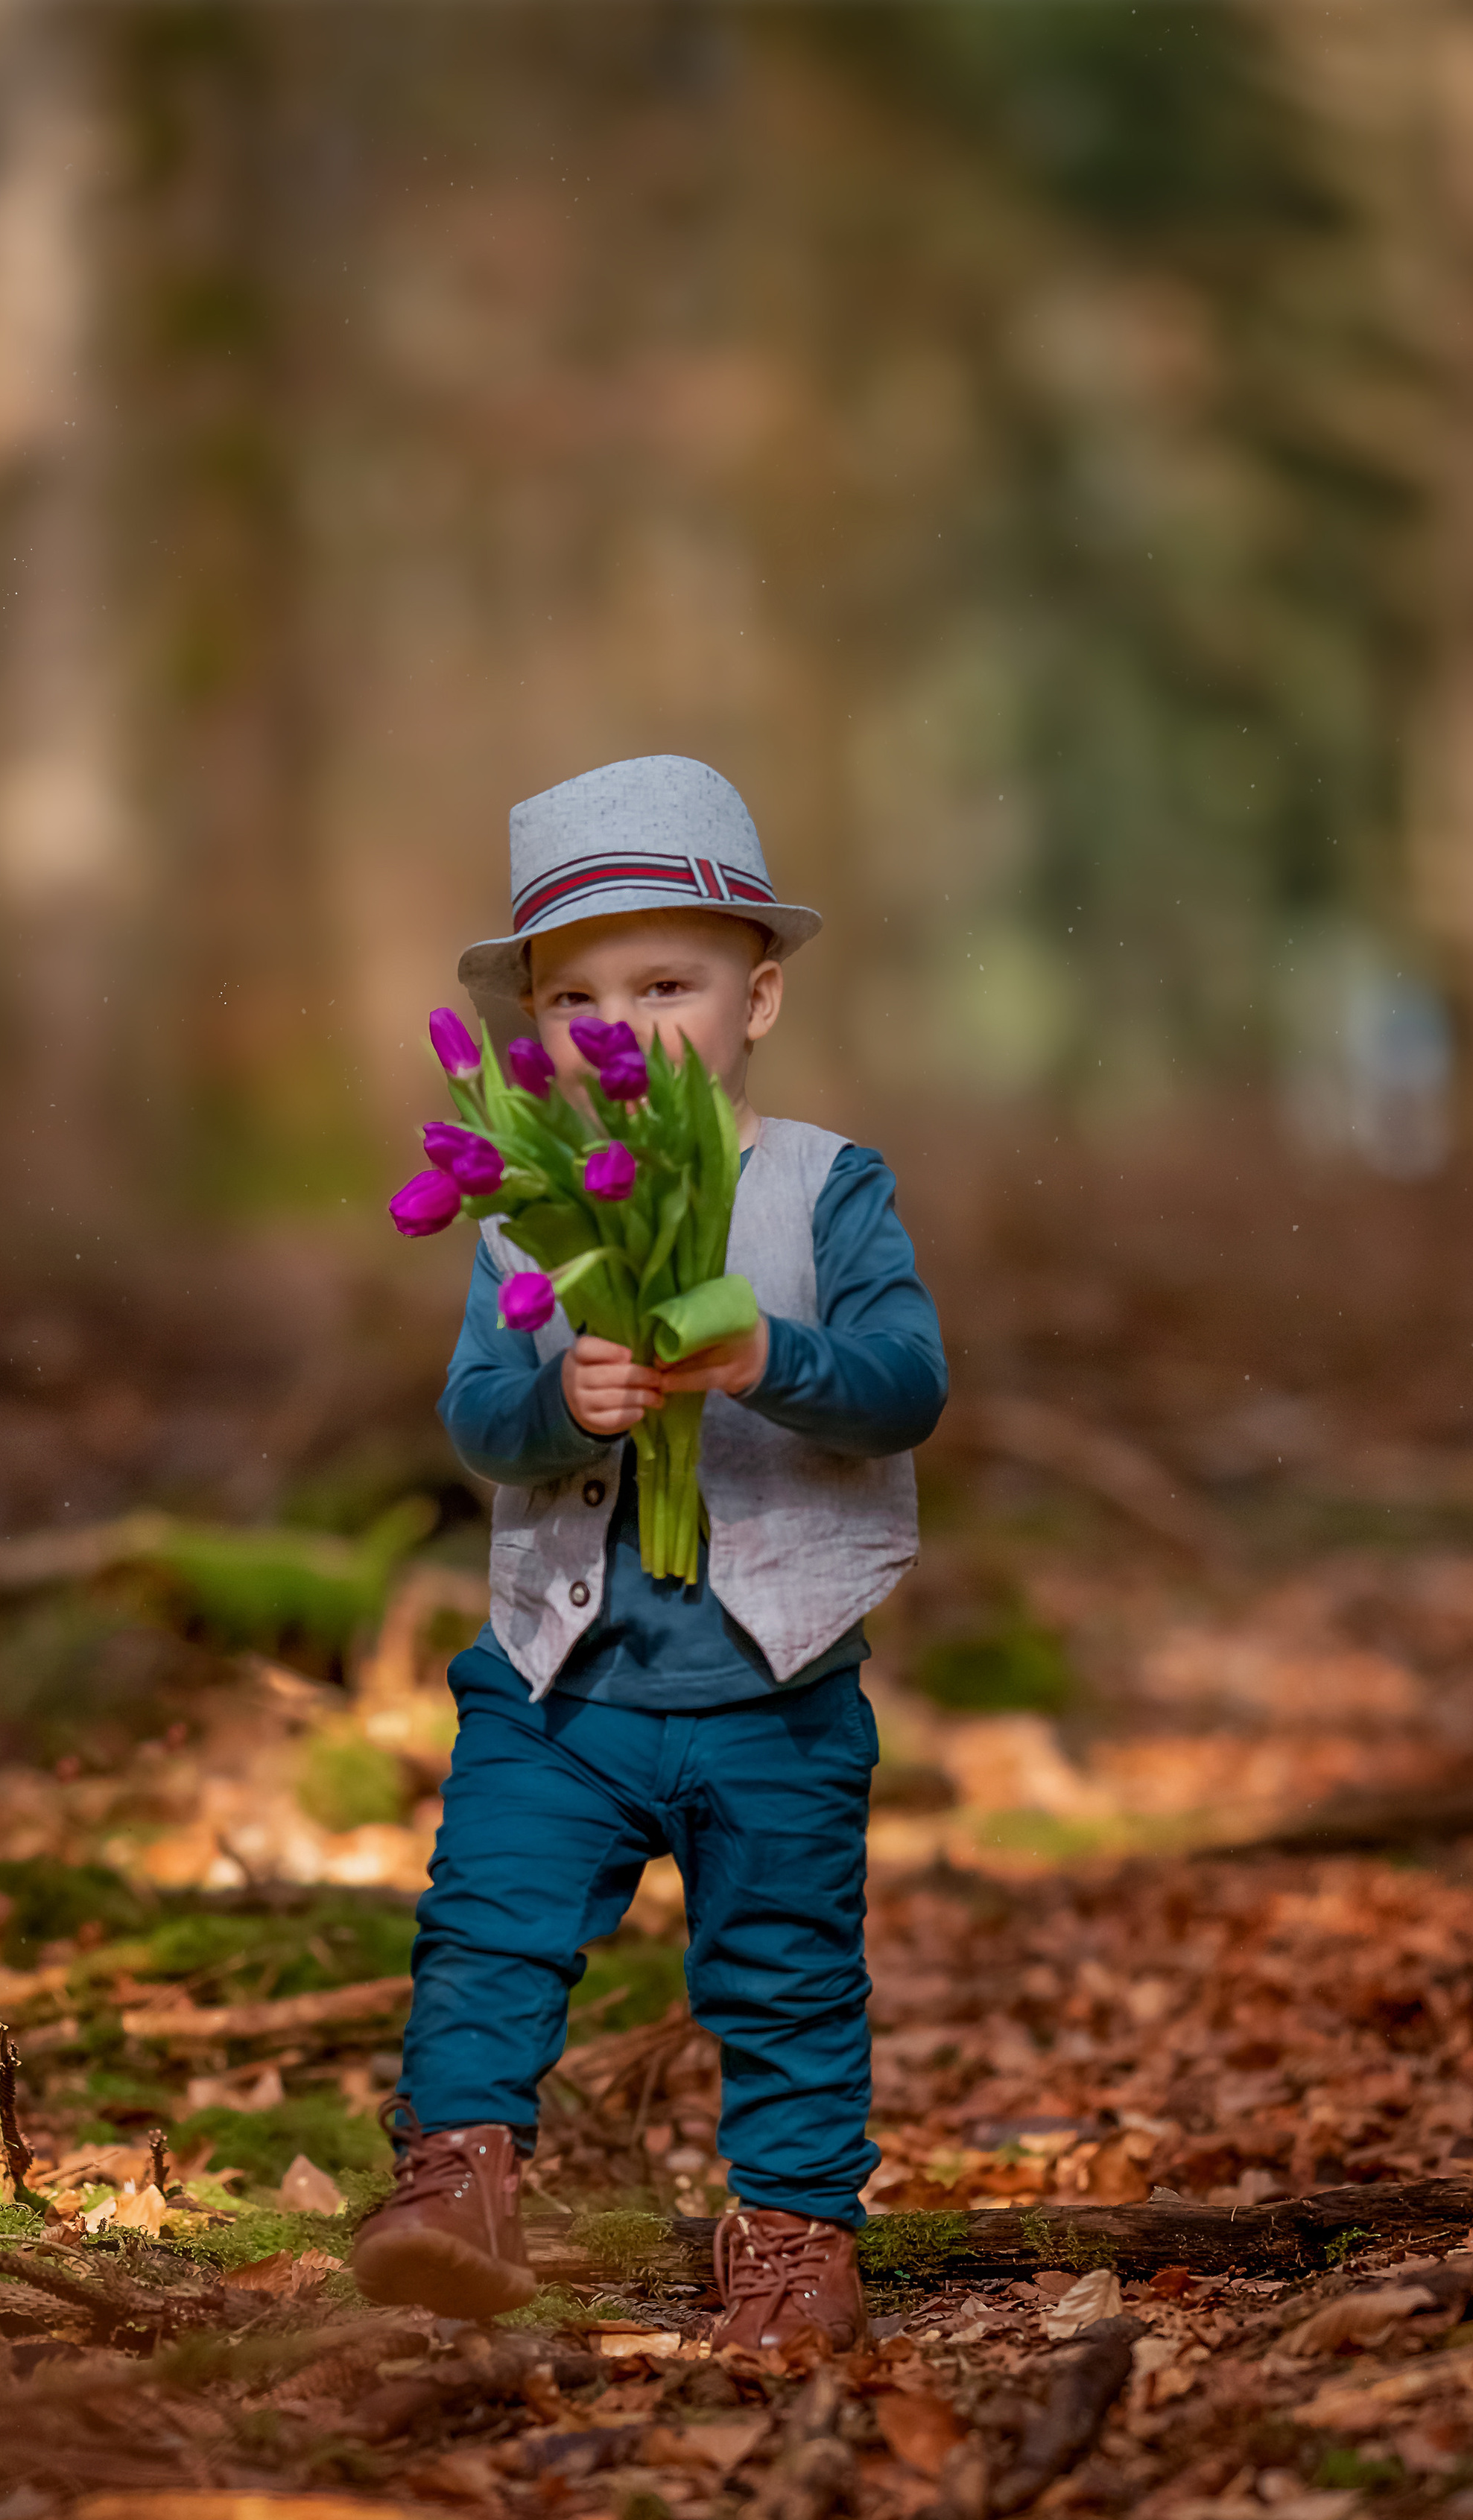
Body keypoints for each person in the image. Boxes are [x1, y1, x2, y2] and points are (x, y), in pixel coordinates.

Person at [352, 755, 948, 2354]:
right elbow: (479, 1416)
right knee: (488, 1923)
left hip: (776, 1687)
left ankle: (794, 2243)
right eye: (574, 1000)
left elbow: (907, 1387)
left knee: (786, 1970)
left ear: (756, 999)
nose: (619, 1029)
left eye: (667, 983)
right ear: (530, 1032)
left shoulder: (826, 1190)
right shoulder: (521, 1214)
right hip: (562, 1681)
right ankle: (456, 2178)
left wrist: (769, 1356)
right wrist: (565, 1400)